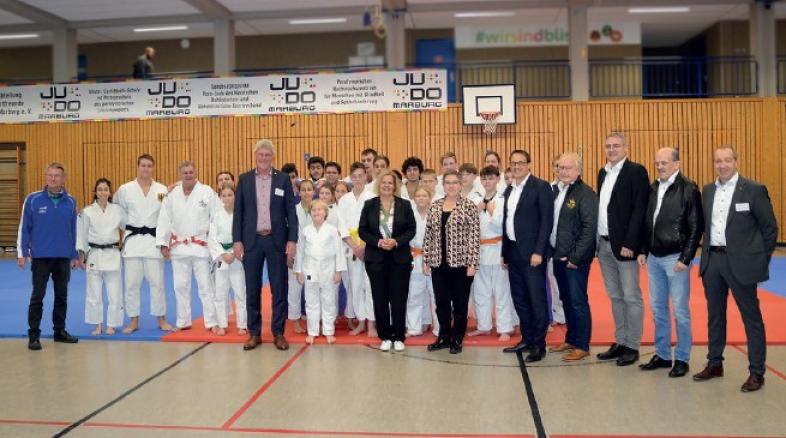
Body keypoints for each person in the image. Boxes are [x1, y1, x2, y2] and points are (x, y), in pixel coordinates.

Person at [693, 146, 777, 392]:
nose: (722, 165)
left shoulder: (753, 190)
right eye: (717, 161)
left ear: (736, 162)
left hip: (742, 264)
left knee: (751, 318)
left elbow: (769, 228)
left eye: (727, 160)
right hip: (713, 262)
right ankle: (715, 363)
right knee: (715, 316)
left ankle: (757, 372)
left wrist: (760, 259)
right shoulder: (707, 191)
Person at [637, 147, 703, 377]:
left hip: (676, 259)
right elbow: (648, 222)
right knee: (658, 309)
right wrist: (643, 250)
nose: (660, 167)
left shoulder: (688, 189)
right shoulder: (654, 188)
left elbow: (696, 226)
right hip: (654, 258)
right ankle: (663, 355)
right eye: (657, 163)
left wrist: (686, 258)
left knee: (681, 311)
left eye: (665, 162)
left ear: (677, 163)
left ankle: (682, 358)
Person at [234, 139, 298, 351]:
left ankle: (278, 333)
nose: (263, 158)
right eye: (260, 155)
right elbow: (239, 214)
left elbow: (291, 211)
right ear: (255, 156)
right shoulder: (244, 180)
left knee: (279, 289)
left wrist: (292, 240)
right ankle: (254, 333)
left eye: (267, 155)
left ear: (273, 157)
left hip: (276, 240)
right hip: (251, 241)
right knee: (252, 289)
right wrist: (237, 241)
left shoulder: (282, 180)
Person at [595, 132, 650, 366]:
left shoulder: (636, 171)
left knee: (631, 296)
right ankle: (620, 341)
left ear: (626, 148)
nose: (612, 149)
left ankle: (632, 345)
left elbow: (640, 209)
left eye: (616, 146)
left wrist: (632, 244)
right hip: (604, 244)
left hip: (625, 246)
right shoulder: (602, 172)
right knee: (615, 296)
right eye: (608, 146)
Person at [18, 162, 80, 350]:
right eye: (50, 175)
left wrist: (74, 254)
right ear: (46, 177)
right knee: (38, 296)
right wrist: (22, 252)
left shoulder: (71, 201)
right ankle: (34, 335)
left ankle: (59, 331)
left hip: (62, 257)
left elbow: (73, 229)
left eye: (57, 176)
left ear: (63, 178)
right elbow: (24, 227)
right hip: (41, 257)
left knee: (62, 296)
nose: (53, 179)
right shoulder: (33, 199)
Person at [500, 150, 553, 363]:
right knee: (520, 300)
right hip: (513, 253)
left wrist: (539, 251)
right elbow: (507, 222)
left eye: (521, 163)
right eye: (513, 163)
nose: (516, 166)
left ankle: (539, 345)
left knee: (536, 300)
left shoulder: (540, 187)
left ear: (529, 164)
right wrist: (505, 253)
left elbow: (546, 222)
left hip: (533, 255)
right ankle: (527, 338)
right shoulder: (509, 190)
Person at [156, 161, 219, 332]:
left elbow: (216, 218)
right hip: (179, 247)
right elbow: (164, 218)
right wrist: (163, 242)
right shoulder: (171, 194)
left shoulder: (207, 192)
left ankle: (211, 321)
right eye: (185, 173)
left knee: (205, 286)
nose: (188, 175)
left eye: (191, 172)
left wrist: (215, 245)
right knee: (180, 286)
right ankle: (183, 321)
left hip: (201, 246)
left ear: (195, 172)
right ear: (180, 174)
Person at [114, 154, 174, 333]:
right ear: (137, 167)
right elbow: (116, 210)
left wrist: (165, 242)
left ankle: (161, 320)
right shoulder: (125, 189)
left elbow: (167, 215)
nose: (146, 169)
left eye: (149, 166)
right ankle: (133, 321)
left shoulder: (162, 190)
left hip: (153, 242)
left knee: (157, 283)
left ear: (153, 168)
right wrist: (126, 228)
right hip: (132, 242)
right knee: (131, 283)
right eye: (143, 165)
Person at [548, 153, 598, 362]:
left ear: (578, 170)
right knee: (566, 299)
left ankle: (582, 344)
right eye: (560, 167)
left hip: (574, 260)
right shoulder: (558, 192)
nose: (563, 171)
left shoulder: (586, 194)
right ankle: (571, 338)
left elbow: (589, 229)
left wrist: (575, 257)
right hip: (558, 256)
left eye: (568, 168)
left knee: (577, 301)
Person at [423, 170, 480, 354]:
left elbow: (474, 237)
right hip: (438, 263)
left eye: (455, 182)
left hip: (461, 264)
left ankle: (457, 338)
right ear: (443, 185)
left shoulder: (469, 206)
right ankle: (444, 337)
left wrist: (472, 263)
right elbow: (429, 235)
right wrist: (426, 259)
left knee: (460, 304)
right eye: (448, 182)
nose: (451, 186)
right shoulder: (435, 206)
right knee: (441, 303)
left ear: (461, 185)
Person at [359, 170, 416, 351]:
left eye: (390, 183)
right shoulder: (369, 205)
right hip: (376, 258)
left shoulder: (404, 205)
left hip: (399, 258)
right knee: (380, 298)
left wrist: (396, 241)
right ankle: (385, 336)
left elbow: (411, 230)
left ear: (395, 186)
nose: (387, 186)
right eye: (384, 183)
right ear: (378, 185)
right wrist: (377, 242)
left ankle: (398, 336)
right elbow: (362, 230)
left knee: (399, 298)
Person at [468, 166, 515, 342]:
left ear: (498, 179)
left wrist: (491, 210)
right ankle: (484, 326)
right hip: (479, 250)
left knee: (501, 291)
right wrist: (478, 209)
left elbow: (502, 225)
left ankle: (504, 327)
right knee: (481, 291)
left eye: (491, 178)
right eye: (484, 179)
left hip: (497, 248)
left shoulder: (504, 200)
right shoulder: (474, 200)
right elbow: (467, 226)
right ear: (480, 180)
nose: (487, 182)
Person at [77, 178, 126, 336]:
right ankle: (97, 324)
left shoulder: (118, 210)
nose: (103, 192)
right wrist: (82, 256)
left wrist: (124, 246)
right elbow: (82, 235)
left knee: (115, 293)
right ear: (95, 192)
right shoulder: (87, 211)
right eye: (100, 189)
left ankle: (112, 324)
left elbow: (127, 228)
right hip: (94, 255)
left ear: (110, 192)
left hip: (113, 253)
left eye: (106, 189)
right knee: (94, 293)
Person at [296, 200, 347, 344]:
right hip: (310, 268)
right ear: (310, 213)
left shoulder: (332, 230)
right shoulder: (305, 230)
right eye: (313, 210)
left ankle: (329, 331)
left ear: (325, 213)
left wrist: (338, 271)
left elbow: (339, 251)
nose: (316, 212)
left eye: (320, 210)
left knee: (328, 301)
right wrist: (299, 271)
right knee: (311, 301)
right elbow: (300, 252)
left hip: (328, 269)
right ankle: (312, 331)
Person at [337, 162, 377, 337]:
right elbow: (341, 225)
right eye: (355, 176)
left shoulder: (373, 196)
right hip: (351, 248)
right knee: (355, 285)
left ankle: (372, 324)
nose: (358, 179)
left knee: (371, 286)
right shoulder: (345, 199)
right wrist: (354, 246)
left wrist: (365, 244)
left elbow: (375, 224)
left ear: (366, 176)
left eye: (361, 176)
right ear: (351, 178)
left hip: (370, 246)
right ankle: (361, 321)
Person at [209, 183, 247, 336]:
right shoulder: (216, 216)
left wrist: (234, 252)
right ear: (220, 197)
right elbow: (211, 238)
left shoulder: (242, 215)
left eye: (230, 195)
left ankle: (242, 325)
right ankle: (222, 324)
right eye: (224, 195)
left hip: (237, 256)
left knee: (240, 292)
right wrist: (223, 254)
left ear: (235, 196)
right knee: (220, 293)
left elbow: (245, 236)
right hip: (222, 258)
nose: (227, 198)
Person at [405, 186, 436, 337]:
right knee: (414, 294)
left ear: (430, 198)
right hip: (415, 257)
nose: (421, 198)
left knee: (436, 294)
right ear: (414, 199)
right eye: (418, 196)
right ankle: (414, 328)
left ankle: (440, 328)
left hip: (434, 258)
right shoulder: (409, 215)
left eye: (424, 196)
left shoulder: (436, 214)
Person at [287, 179, 314, 334]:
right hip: (296, 251)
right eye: (303, 189)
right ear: (299, 192)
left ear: (313, 191)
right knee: (294, 288)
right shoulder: (293, 210)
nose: (306, 192)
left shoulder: (318, 209)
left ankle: (313, 319)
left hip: (314, 253)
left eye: (309, 189)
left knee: (313, 289)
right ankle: (295, 320)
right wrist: (289, 253)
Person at [546, 157, 566, 328]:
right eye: (558, 167)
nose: (561, 170)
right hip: (549, 242)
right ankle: (557, 312)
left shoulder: (574, 189)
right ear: (554, 169)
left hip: (566, 243)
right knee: (552, 278)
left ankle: (566, 311)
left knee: (563, 280)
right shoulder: (548, 189)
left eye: (564, 167)